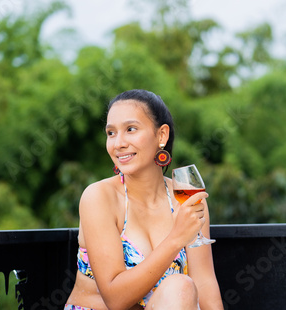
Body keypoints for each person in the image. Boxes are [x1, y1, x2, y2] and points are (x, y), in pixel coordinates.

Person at [65, 89, 224, 310]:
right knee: (179, 287)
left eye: (131, 129)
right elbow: (115, 300)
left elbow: (205, 285)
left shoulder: (185, 199)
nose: (118, 143)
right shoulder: (99, 197)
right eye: (111, 133)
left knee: (181, 288)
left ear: (162, 135)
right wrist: (176, 238)